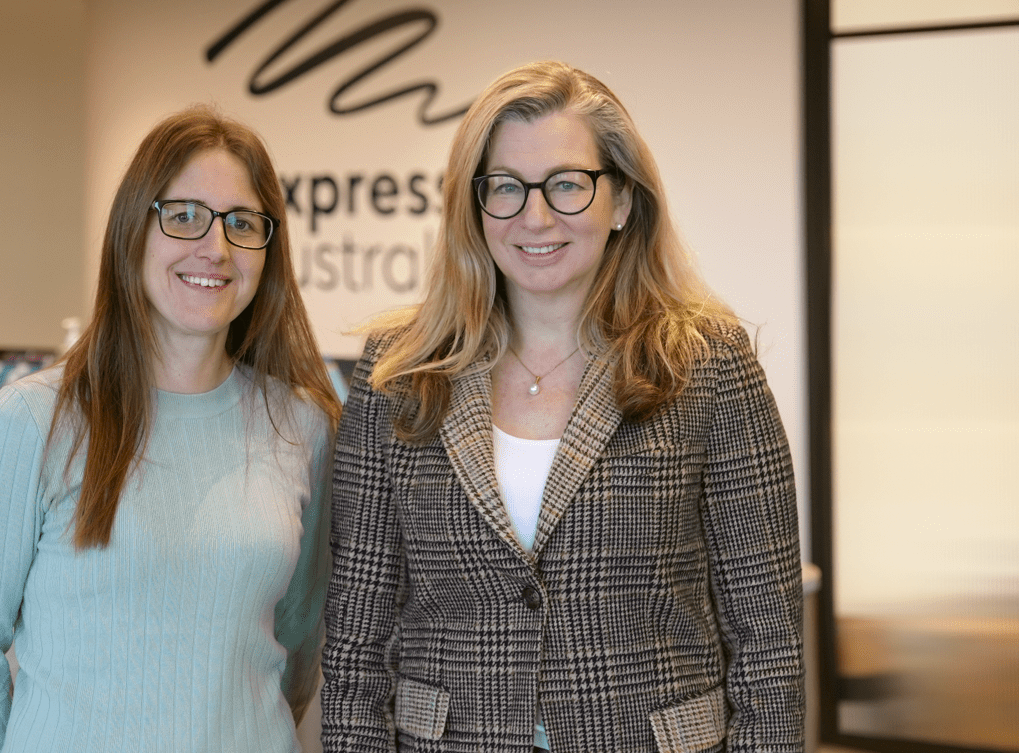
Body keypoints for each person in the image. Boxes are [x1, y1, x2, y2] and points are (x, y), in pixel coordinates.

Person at [322, 61, 803, 753]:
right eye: (507, 188)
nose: (536, 216)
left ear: (623, 202)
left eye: (569, 184)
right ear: (474, 205)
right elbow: (355, 646)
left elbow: (769, 645)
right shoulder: (398, 370)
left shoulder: (707, 363)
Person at [0, 106, 340, 753]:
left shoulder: (302, 426)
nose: (216, 247)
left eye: (242, 222)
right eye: (183, 215)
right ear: (131, 230)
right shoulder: (34, 420)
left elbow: (299, 645)